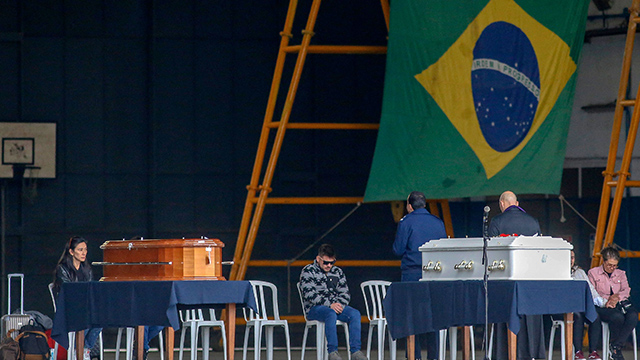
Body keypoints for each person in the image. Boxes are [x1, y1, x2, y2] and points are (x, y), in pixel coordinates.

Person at [488, 191, 545, 360]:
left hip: (505, 281)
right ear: (517, 204)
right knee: (530, 318)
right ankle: (533, 353)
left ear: (502, 204)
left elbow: (490, 253)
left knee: (505, 317)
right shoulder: (533, 222)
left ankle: (505, 354)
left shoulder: (497, 221)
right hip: (530, 280)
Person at [393, 191, 446, 360]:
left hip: (412, 275)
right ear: (425, 204)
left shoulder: (406, 222)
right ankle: (434, 356)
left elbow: (398, 250)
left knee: (412, 318)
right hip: (435, 275)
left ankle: (414, 356)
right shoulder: (438, 222)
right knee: (433, 317)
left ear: (409, 206)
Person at [299, 244, 368, 360]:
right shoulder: (308, 271)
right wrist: (330, 305)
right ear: (318, 259)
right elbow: (309, 294)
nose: (329, 265)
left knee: (355, 313)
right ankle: (332, 352)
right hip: (315, 308)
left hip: (335, 306)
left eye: (332, 262)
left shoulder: (338, 272)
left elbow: (345, 293)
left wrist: (339, 305)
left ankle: (355, 351)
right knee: (330, 313)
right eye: (326, 262)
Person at [53, 236, 103, 360]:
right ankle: (78, 349)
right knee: (86, 317)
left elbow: (91, 288)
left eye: (85, 250)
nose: (84, 253)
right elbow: (68, 291)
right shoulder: (63, 269)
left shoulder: (87, 269)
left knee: (100, 318)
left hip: (84, 307)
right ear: (71, 251)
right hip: (68, 309)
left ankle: (85, 349)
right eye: (80, 250)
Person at [588, 247, 638, 360]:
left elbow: (626, 290)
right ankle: (615, 346)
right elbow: (593, 293)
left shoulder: (621, 273)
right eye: (609, 265)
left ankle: (616, 346)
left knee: (633, 316)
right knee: (617, 317)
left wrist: (616, 298)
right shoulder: (593, 273)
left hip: (620, 303)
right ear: (603, 261)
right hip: (603, 306)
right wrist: (607, 301)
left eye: (615, 265)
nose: (612, 268)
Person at [569, 250, 603, 360]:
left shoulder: (580, 272)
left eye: (573, 257)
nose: (571, 260)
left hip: (581, 305)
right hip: (565, 308)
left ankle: (593, 351)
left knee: (595, 316)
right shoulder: (555, 272)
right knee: (577, 316)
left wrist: (603, 302)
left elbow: (591, 290)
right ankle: (577, 351)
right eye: (568, 257)